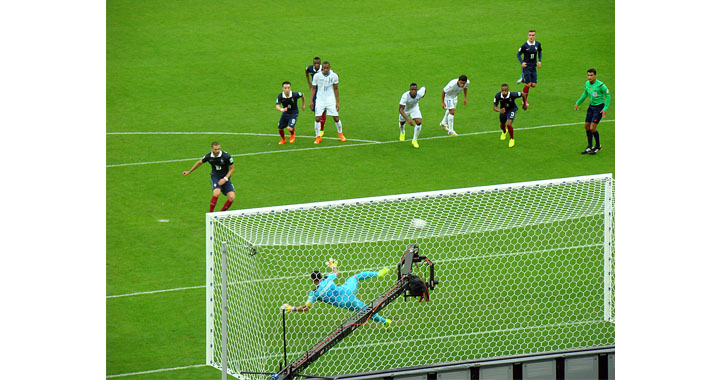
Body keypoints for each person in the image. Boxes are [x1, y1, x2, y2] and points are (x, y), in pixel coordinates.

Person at [281, 258, 392, 325]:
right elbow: (337, 273)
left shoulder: (314, 293)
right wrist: (333, 265)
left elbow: (306, 308)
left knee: (364, 310)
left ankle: (385, 321)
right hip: (347, 290)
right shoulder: (327, 278)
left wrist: (292, 308)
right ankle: (378, 273)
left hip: (344, 302)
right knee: (355, 277)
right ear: (320, 276)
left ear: (312, 280)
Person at [182, 142, 236, 212]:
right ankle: (211, 214)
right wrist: (189, 171)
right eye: (215, 149)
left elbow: (232, 169)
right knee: (217, 193)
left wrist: (225, 179)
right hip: (215, 176)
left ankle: (220, 214)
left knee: (232, 197)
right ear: (212, 149)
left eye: (219, 149)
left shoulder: (226, 156)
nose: (217, 151)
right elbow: (199, 163)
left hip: (225, 177)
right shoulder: (208, 156)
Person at [574, 68, 611, 155]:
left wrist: (605, 108)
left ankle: (598, 146)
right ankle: (590, 146)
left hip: (599, 108)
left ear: (595, 76)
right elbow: (585, 94)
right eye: (588, 75)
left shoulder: (601, 85)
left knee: (592, 128)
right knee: (586, 126)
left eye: (591, 75)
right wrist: (577, 103)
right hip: (591, 107)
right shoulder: (587, 84)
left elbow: (608, 95)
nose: (589, 77)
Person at [309, 61, 346, 144]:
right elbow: (313, 88)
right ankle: (318, 137)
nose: (326, 70)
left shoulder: (334, 76)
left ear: (330, 68)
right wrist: (311, 101)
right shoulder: (317, 76)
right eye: (324, 68)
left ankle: (340, 134)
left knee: (336, 118)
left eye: (327, 68)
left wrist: (337, 102)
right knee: (317, 118)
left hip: (330, 100)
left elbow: (336, 89)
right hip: (320, 100)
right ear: (322, 68)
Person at [516, 30, 542, 110]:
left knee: (533, 85)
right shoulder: (524, 45)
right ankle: (524, 101)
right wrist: (522, 62)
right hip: (526, 67)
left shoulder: (537, 44)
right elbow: (518, 54)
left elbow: (540, 51)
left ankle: (523, 79)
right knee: (528, 84)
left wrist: (539, 60)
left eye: (533, 35)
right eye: (530, 35)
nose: (531, 37)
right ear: (527, 36)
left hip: (533, 67)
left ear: (535, 36)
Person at [492, 84, 524, 148]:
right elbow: (494, 107)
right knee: (502, 125)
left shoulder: (513, 95)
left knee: (508, 124)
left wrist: (524, 103)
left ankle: (511, 139)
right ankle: (504, 131)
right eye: (502, 90)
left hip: (512, 109)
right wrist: (499, 110)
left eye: (505, 90)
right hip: (503, 110)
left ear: (508, 90)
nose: (504, 92)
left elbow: (523, 94)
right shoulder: (498, 96)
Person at [398, 83, 426, 148]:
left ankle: (414, 140)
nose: (413, 91)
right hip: (405, 110)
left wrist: (423, 95)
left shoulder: (420, 94)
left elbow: (424, 88)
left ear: (417, 90)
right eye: (412, 89)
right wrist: (408, 120)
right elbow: (400, 109)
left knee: (419, 122)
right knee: (402, 123)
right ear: (409, 90)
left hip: (414, 108)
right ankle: (402, 132)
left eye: (415, 89)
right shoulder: (405, 96)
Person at [305, 57, 327, 136]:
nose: (316, 65)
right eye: (315, 63)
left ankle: (321, 129)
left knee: (323, 110)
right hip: (314, 90)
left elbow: (334, 74)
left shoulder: (323, 69)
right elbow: (306, 71)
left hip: (323, 91)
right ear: (313, 63)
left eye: (318, 63)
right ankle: (318, 126)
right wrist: (309, 83)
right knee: (315, 109)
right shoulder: (310, 68)